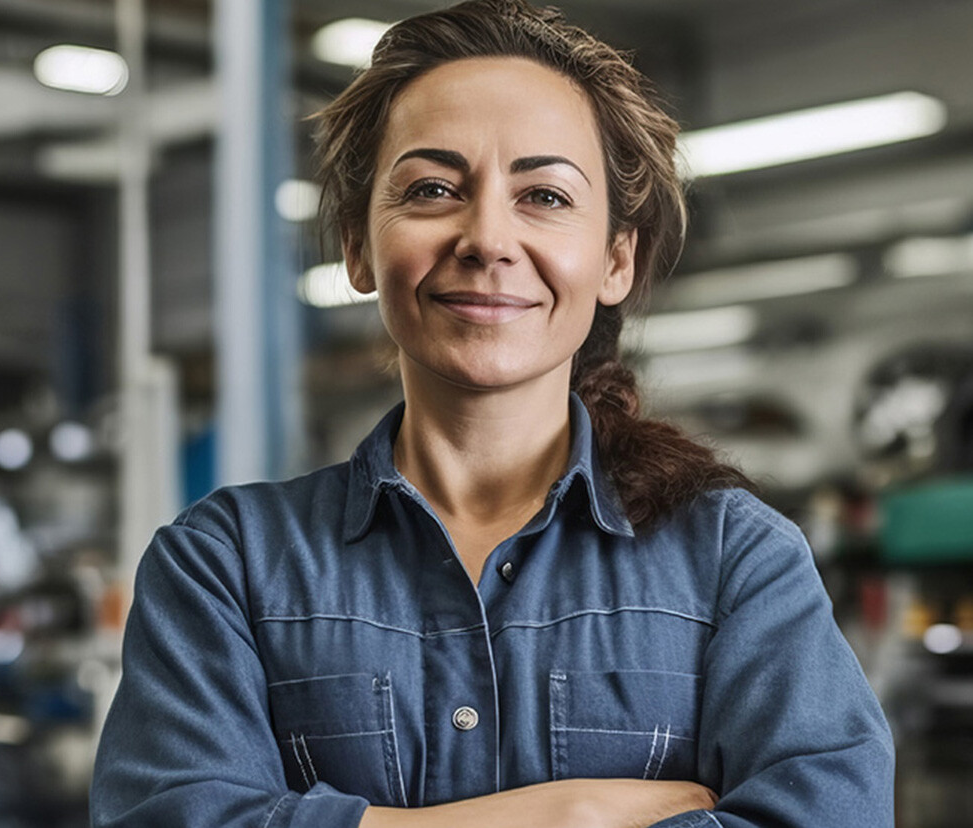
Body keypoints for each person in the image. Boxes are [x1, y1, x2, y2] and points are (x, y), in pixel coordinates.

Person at [90, 1, 895, 826]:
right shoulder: (226, 567)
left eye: (544, 196)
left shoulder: (734, 559)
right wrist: (569, 815)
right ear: (358, 247)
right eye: (433, 188)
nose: (487, 237)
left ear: (616, 259)